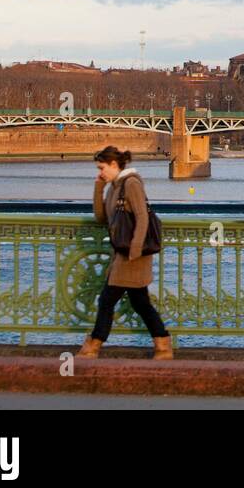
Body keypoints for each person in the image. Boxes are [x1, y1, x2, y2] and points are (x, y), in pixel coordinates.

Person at [77, 146, 173, 360]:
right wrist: (98, 189)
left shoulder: (131, 184)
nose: (100, 172)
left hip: (132, 255)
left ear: (114, 164)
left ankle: (93, 345)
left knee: (107, 300)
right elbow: (101, 218)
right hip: (123, 253)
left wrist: (135, 250)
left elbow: (142, 217)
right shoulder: (114, 187)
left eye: (102, 168)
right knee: (140, 302)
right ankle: (163, 344)